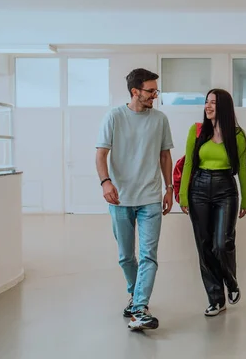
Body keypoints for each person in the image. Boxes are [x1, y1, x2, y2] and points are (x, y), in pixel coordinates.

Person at [95, 68, 174, 331]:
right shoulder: (114, 117)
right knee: (125, 257)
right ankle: (134, 294)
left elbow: (165, 156)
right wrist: (106, 182)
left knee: (148, 255)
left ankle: (140, 307)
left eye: (156, 91)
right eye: (151, 91)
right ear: (135, 91)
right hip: (120, 198)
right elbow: (101, 154)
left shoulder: (160, 119)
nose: (155, 96)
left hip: (150, 197)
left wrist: (169, 188)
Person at [178, 88, 246, 317]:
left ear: (225, 107)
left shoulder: (237, 135)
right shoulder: (197, 130)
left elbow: (242, 168)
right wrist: (183, 194)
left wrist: (245, 198)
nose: (207, 106)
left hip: (225, 189)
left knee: (222, 243)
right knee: (204, 244)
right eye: (206, 102)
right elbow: (189, 163)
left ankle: (231, 281)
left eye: (213, 103)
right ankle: (215, 298)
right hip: (198, 188)